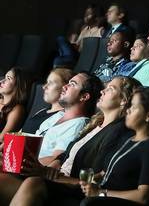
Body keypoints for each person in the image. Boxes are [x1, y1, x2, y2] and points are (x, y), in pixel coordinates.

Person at [0, 77, 141, 206]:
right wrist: (49, 167)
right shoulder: (94, 125)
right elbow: (65, 156)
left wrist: (45, 173)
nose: (103, 91)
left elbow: (94, 180)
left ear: (124, 100)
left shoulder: (119, 133)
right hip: (55, 181)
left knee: (33, 182)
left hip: (70, 192)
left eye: (110, 88)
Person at [78, 87, 149, 203]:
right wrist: (89, 181)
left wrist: (100, 193)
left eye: (133, 107)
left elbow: (143, 196)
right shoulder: (127, 138)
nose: (128, 110)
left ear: (148, 116)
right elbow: (106, 173)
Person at [36, 73, 103, 165]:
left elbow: (55, 159)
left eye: (72, 84)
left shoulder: (79, 124)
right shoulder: (59, 114)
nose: (64, 86)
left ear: (84, 97)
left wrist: (20, 160)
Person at [21, 68, 75, 134]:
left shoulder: (62, 118)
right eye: (47, 82)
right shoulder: (42, 111)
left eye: (51, 83)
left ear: (65, 87)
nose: (44, 87)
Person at [0, 67, 31, 138]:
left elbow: (3, 138)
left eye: (8, 78)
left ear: (18, 85)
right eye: (4, 77)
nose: (2, 81)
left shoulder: (17, 109)